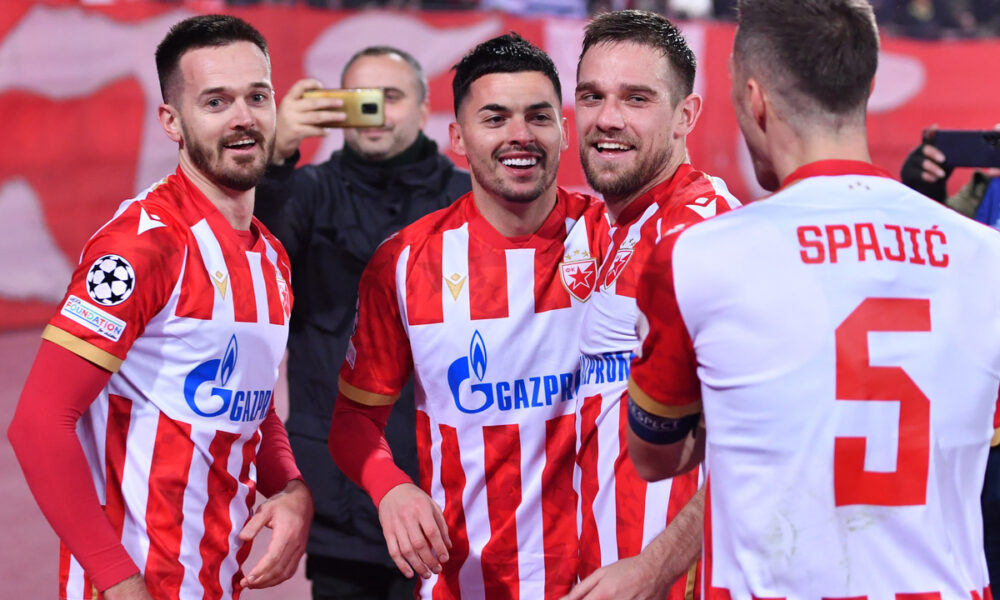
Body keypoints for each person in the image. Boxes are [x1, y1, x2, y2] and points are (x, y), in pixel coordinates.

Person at [627, 0, 1000, 597]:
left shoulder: (695, 256)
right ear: (870, 84)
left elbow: (653, 458)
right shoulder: (988, 258)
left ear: (754, 98)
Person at [7, 15, 312, 600]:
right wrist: (118, 579)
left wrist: (290, 485)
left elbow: (249, 398)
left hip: (219, 579)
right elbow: (39, 425)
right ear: (172, 122)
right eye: (216, 101)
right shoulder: (143, 244)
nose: (243, 118)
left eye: (258, 96)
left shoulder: (270, 256)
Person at [328, 33, 607, 599]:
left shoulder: (616, 240)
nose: (520, 136)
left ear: (565, 131)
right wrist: (391, 488)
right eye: (495, 118)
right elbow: (354, 421)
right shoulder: (404, 264)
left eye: (539, 116)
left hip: (609, 581)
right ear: (457, 137)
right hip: (467, 584)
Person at [253, 46, 471, 600]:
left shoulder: (464, 201)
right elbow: (251, 262)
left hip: (444, 500)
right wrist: (275, 160)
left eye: (389, 97)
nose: (373, 110)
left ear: (425, 112)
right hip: (339, 501)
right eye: (359, 98)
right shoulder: (303, 192)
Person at [566, 10, 739, 600]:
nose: (607, 119)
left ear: (685, 116)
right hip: (604, 571)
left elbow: (765, 446)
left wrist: (653, 567)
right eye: (592, 96)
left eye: (636, 98)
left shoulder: (706, 237)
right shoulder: (600, 226)